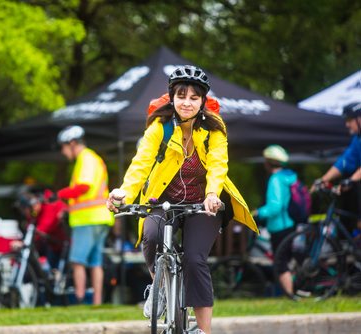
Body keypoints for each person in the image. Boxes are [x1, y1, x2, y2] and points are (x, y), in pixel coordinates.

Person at [107, 65, 258, 334]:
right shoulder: (159, 127)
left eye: (193, 97)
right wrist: (123, 193)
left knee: (194, 259)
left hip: (203, 202)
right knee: (151, 237)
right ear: (172, 97)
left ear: (202, 101)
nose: (186, 102)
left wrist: (212, 194)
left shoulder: (214, 128)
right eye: (181, 96)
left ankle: (203, 331)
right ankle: (160, 286)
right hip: (162, 198)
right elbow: (141, 163)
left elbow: (218, 165)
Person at [56, 125, 114, 305]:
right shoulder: (93, 158)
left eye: (64, 148)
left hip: (87, 220)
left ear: (72, 144)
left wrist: (60, 195)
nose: (64, 153)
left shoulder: (86, 158)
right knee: (95, 262)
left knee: (77, 261)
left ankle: (80, 299)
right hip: (100, 218)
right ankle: (96, 302)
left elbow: (84, 187)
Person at [252, 145, 297, 296]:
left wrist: (259, 212)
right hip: (289, 224)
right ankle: (289, 293)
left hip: (279, 226)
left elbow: (275, 206)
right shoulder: (288, 176)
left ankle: (290, 295)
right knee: (285, 261)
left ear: (269, 162)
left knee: (280, 262)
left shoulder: (276, 179)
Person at [312, 102, 360, 230]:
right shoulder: (357, 140)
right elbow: (344, 162)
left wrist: (351, 179)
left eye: (350, 120)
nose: (347, 124)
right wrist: (324, 179)